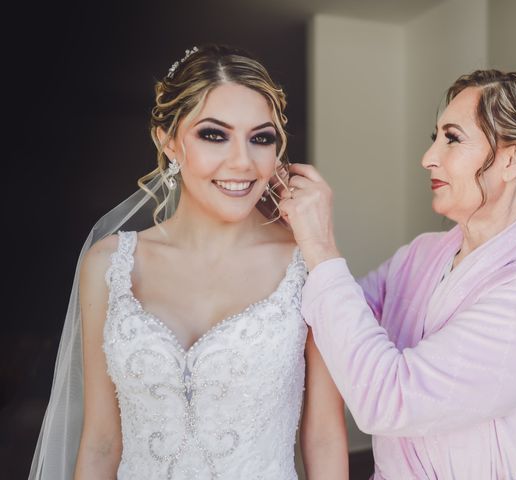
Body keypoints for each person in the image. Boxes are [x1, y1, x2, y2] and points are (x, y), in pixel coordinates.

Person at [30, 44, 348, 480]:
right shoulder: (107, 267)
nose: (242, 161)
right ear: (168, 141)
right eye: (214, 134)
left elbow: (325, 438)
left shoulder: (307, 264)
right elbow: (102, 441)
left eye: (261, 138)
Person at [280, 70, 516, 479]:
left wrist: (321, 246)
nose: (428, 157)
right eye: (435, 137)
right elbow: (333, 328)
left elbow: (390, 400)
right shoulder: (423, 253)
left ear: (514, 159)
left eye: (452, 138)